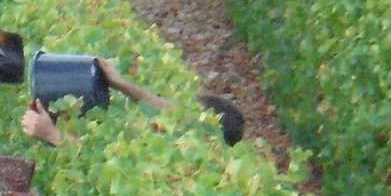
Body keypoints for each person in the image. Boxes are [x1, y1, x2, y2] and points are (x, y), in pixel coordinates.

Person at [22, 55, 244, 147]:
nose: (169, 121)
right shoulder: (183, 147)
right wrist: (120, 83)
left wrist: (53, 134)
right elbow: (172, 112)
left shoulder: (180, 174)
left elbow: (100, 162)